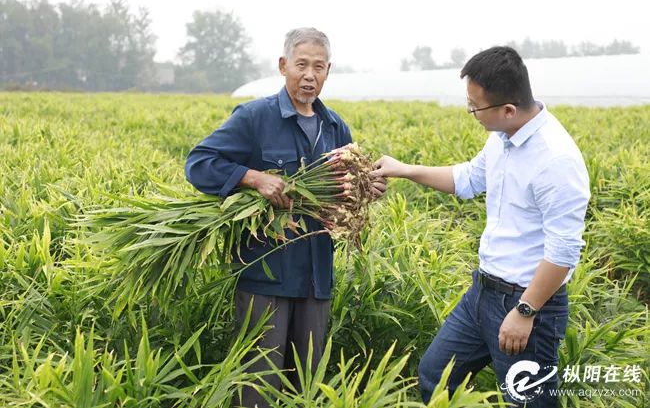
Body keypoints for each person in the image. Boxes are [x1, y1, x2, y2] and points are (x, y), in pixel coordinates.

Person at [373, 46, 590, 407]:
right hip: (482, 292)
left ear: (507, 109)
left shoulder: (556, 160)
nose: (470, 111)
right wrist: (404, 169)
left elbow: (564, 252)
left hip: (527, 303)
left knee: (527, 402)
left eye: (475, 106)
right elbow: (469, 179)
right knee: (434, 376)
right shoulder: (503, 137)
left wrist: (524, 312)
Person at [185, 27, 386, 408]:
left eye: (319, 67)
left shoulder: (334, 127)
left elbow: (343, 192)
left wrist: (366, 191)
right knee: (259, 384)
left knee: (306, 384)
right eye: (301, 65)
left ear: (328, 71)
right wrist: (253, 177)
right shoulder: (254, 117)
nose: (310, 75)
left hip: (316, 278)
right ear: (283, 66)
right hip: (267, 276)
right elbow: (199, 163)